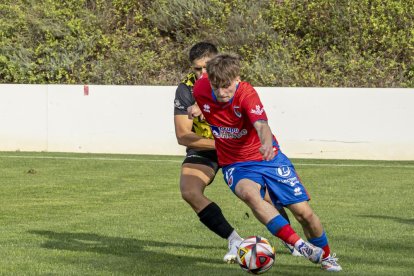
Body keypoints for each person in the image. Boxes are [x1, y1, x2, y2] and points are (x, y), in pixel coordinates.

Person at [190, 53, 342, 271]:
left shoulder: (246, 94)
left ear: (237, 79)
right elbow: (202, 95)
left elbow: (261, 124)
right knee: (250, 195)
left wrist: (266, 144)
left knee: (304, 214)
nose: (222, 93)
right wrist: (197, 106)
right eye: (217, 87)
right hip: (235, 163)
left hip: (268, 157)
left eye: (226, 86)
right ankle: (298, 245)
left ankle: (327, 257)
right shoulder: (202, 87)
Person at [173, 42, 242, 263]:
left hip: (237, 146)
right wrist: (219, 144)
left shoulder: (233, 84)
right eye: (196, 69)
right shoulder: (185, 89)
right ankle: (234, 239)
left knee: (265, 195)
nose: (202, 73)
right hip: (207, 147)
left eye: (206, 67)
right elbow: (183, 135)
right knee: (189, 190)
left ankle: (294, 243)